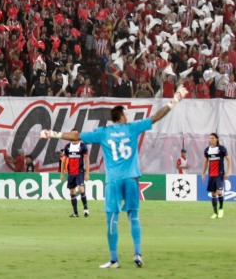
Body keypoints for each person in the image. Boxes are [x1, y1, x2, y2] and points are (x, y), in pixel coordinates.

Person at [40, 86, 188, 269]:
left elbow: (76, 136)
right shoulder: (132, 128)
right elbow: (157, 117)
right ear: (122, 117)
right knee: (134, 216)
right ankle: (138, 254)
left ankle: (114, 260)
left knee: (112, 218)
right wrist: (176, 99)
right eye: (125, 114)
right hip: (132, 178)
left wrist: (52, 134)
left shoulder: (104, 132)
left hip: (114, 180)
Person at [202, 133, 232, 219]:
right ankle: (215, 213)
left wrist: (228, 171)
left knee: (219, 192)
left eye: (212, 138)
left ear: (216, 139)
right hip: (211, 175)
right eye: (209, 138)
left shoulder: (221, 149)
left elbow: (229, 159)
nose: (210, 140)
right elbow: (205, 162)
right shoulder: (207, 150)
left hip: (220, 174)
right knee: (213, 194)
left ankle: (221, 209)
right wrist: (203, 173)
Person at [61, 139, 90, 218]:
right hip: (70, 173)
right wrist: (62, 173)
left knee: (81, 189)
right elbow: (63, 161)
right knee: (72, 192)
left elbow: (86, 160)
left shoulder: (82, 146)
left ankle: (86, 209)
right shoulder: (67, 147)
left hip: (79, 172)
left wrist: (87, 173)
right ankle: (75, 213)